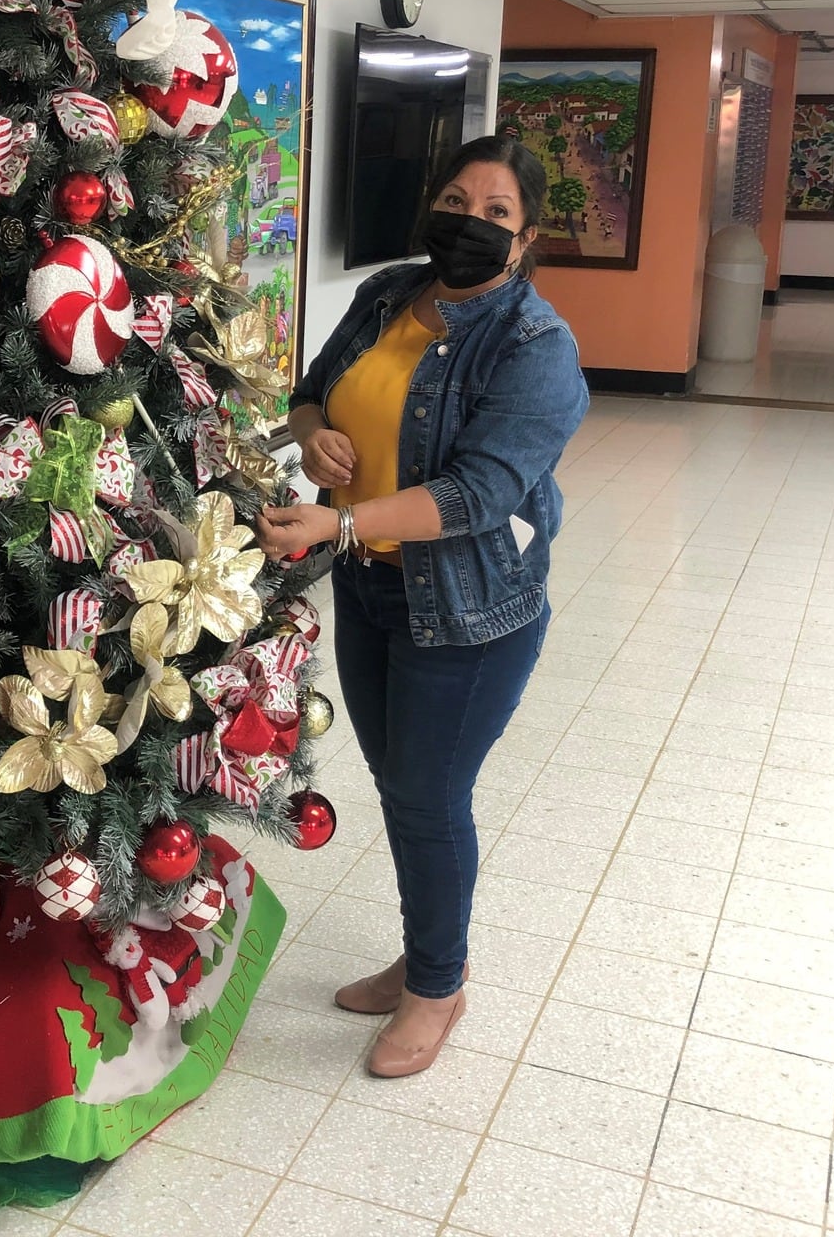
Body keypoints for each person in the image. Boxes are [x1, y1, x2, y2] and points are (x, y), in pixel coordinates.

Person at [254, 138, 587, 1080]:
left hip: (470, 611)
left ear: (526, 241)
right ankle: (426, 953)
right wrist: (316, 441)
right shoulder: (391, 291)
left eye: (497, 213)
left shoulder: (537, 348)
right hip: (367, 586)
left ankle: (438, 985)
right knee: (403, 786)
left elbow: (481, 494)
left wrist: (340, 522)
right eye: (456, 199)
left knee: (430, 796)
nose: (470, 223)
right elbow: (310, 394)